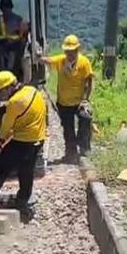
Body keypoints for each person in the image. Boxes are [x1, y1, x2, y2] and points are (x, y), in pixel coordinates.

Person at [0, 70, 47, 213]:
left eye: (1, 92)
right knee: (26, 171)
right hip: (38, 138)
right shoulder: (32, 90)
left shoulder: (14, 102)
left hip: (24, 140)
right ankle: (23, 199)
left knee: (3, 164)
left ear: (9, 87)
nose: (0, 96)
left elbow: (6, 125)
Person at [42, 34, 94, 163]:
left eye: (73, 51)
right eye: (68, 51)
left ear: (78, 50)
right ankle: (70, 154)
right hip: (63, 103)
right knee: (68, 129)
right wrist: (37, 57)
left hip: (79, 102)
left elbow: (89, 82)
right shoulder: (61, 61)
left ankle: (84, 148)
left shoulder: (84, 62)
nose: (70, 54)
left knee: (85, 118)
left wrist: (85, 100)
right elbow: (48, 60)